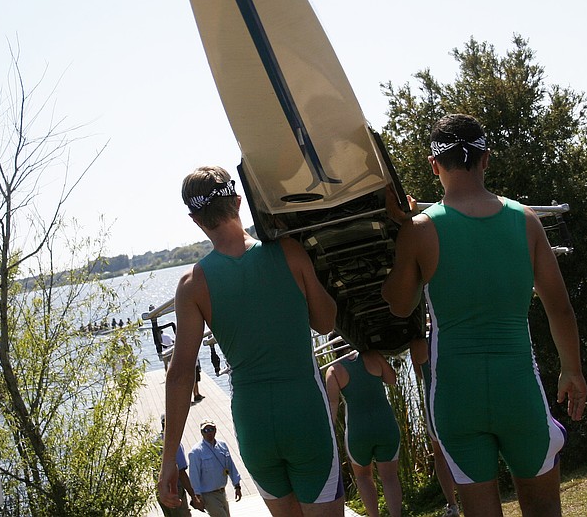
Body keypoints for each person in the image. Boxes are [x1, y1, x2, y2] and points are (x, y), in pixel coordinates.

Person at [381, 114, 587, 517]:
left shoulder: (420, 229)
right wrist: (571, 369)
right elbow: (559, 306)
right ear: (486, 160)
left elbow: (399, 304)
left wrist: (398, 233)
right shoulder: (525, 221)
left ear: (434, 165)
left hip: (457, 397)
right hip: (518, 389)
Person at [158, 165, 344, 517]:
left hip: (253, 422)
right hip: (305, 413)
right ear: (239, 202)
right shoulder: (289, 252)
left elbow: (180, 375)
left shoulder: (192, 284)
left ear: (195, 219)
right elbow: (326, 322)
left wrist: (169, 461)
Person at [325, 347, 403, 517]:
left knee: (363, 477)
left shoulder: (334, 370)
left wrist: (327, 435)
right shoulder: (373, 355)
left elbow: (332, 405)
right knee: (389, 477)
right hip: (385, 425)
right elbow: (392, 379)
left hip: (358, 431)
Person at [409, 337, 459, 517]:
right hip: (455, 396)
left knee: (439, 453)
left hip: (434, 401)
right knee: (462, 448)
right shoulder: (446, 331)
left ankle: (453, 504)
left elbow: (420, 374)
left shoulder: (417, 342)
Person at [187, 420, 242, 516]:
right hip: (208, 495)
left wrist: (237, 486)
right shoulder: (196, 452)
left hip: (222, 492)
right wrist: (196, 496)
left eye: (211, 429)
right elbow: (194, 475)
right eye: (205, 430)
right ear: (202, 433)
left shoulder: (222, 445)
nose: (209, 432)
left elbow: (230, 466)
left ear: (215, 430)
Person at [158, 415, 199, 516]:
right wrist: (193, 495)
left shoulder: (154, 442)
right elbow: (181, 472)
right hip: (174, 489)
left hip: (161, 491)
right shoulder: (174, 445)